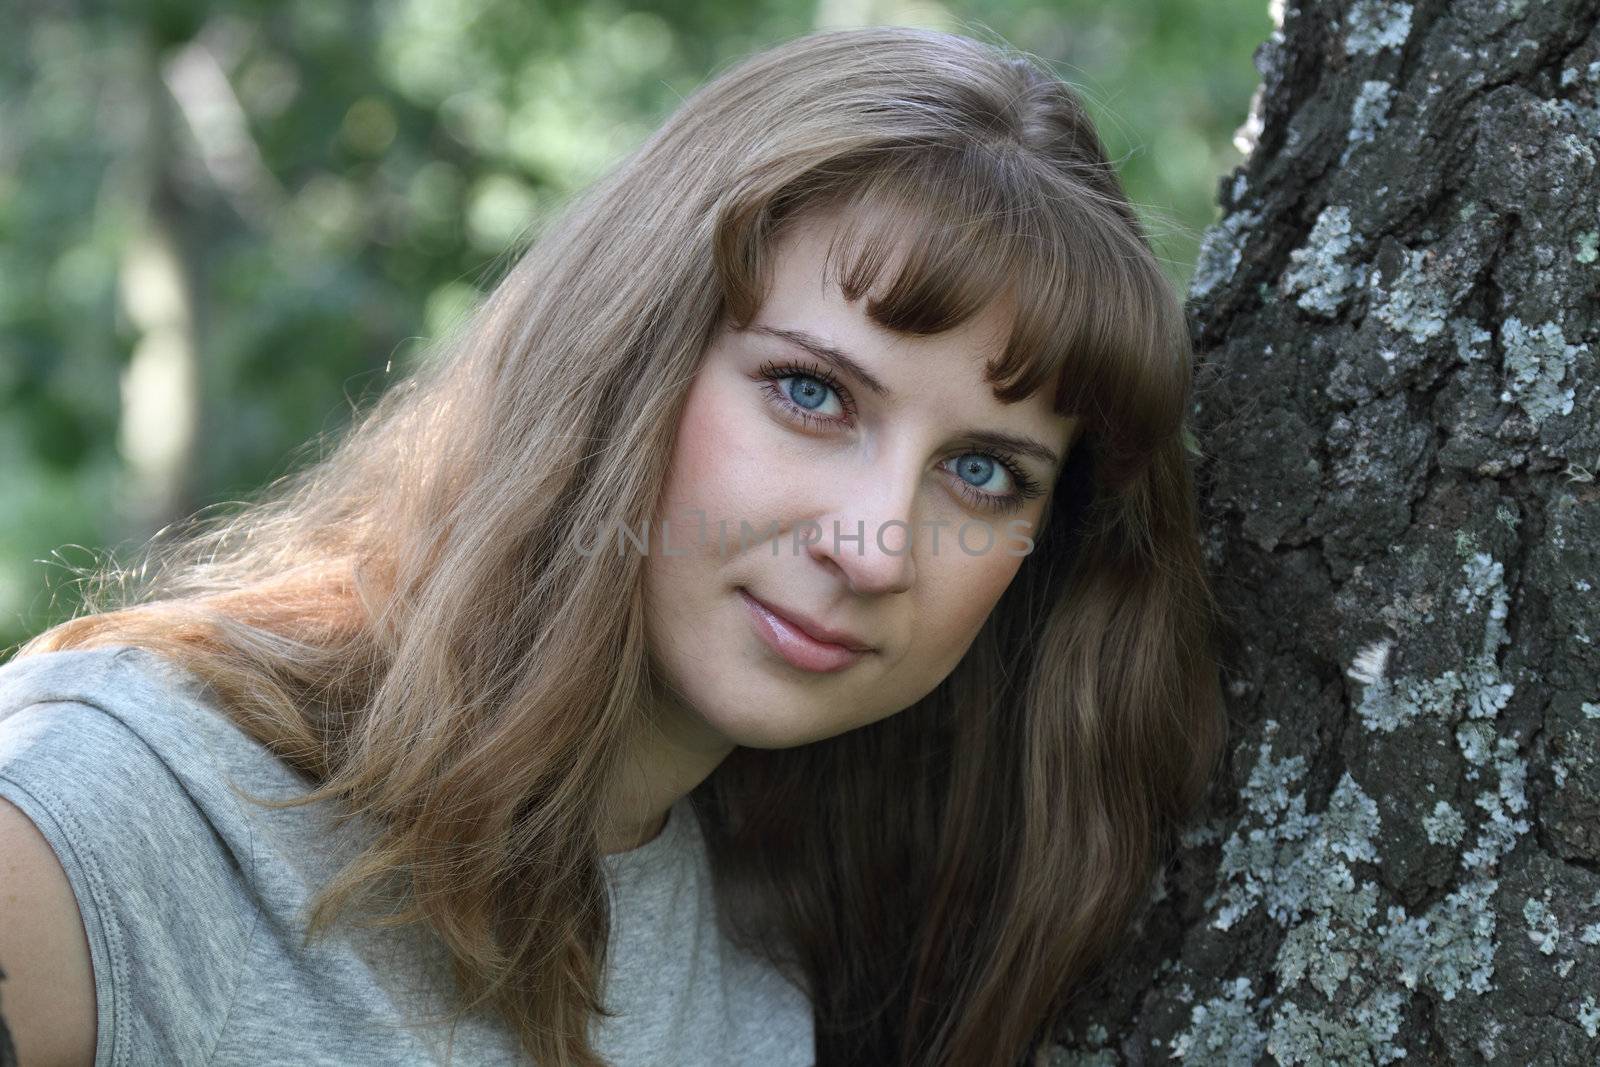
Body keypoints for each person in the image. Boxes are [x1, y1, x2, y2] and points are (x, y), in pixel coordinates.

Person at [0, 23, 1227, 1067]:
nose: (875, 548)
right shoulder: (131, 805)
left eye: (982, 471)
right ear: (623, 354)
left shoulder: (789, 942)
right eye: (810, 392)